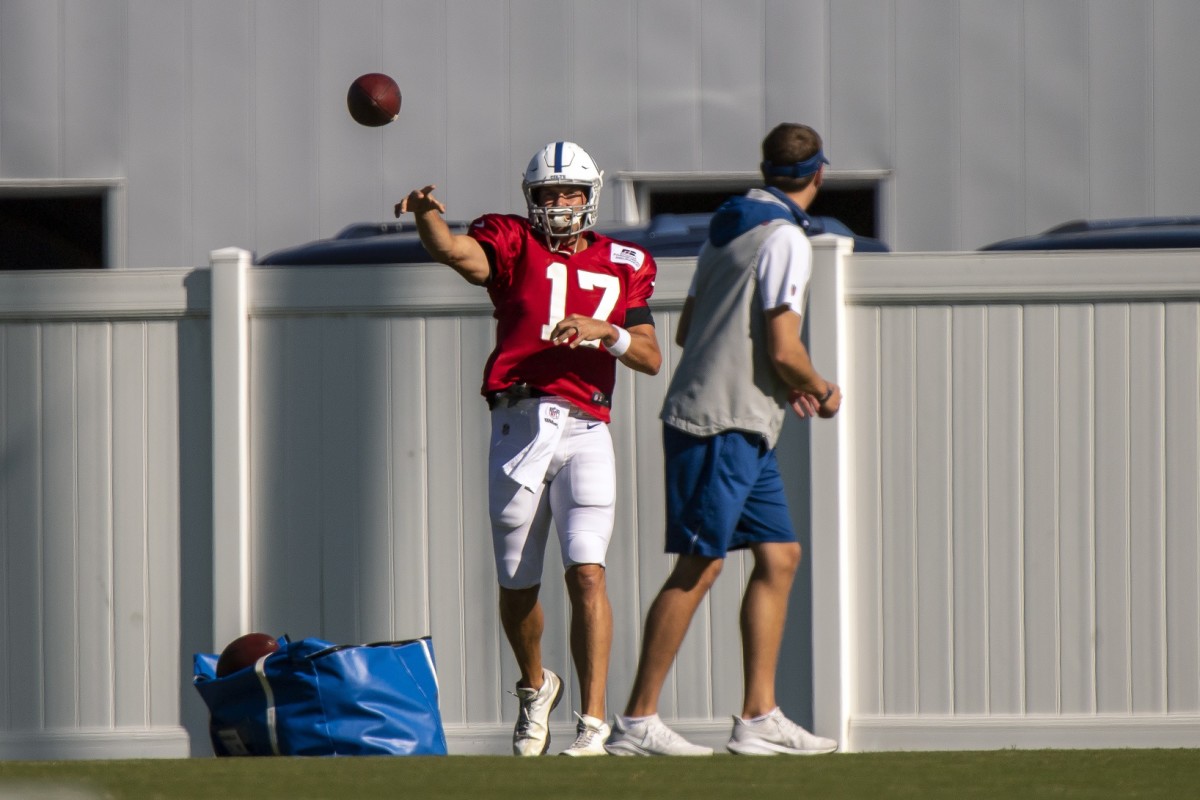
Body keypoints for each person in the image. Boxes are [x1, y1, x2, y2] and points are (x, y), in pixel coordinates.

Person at [395, 141, 662, 757]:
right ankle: (535, 685)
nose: (560, 204)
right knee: (518, 584)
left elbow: (649, 356)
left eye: (571, 193)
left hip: (589, 427)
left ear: (590, 196)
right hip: (519, 422)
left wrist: (607, 331)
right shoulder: (514, 242)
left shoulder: (626, 260)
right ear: (531, 199)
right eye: (549, 194)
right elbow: (459, 254)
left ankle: (592, 722)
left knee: (587, 572)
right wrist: (427, 217)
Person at [604, 123, 843, 757]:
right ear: (820, 174)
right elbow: (785, 347)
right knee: (701, 564)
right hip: (719, 424)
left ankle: (758, 716)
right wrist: (820, 387)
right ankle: (635, 722)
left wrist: (777, 380)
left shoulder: (729, 228)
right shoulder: (788, 238)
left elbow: (689, 331)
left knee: (779, 556)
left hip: (742, 420)